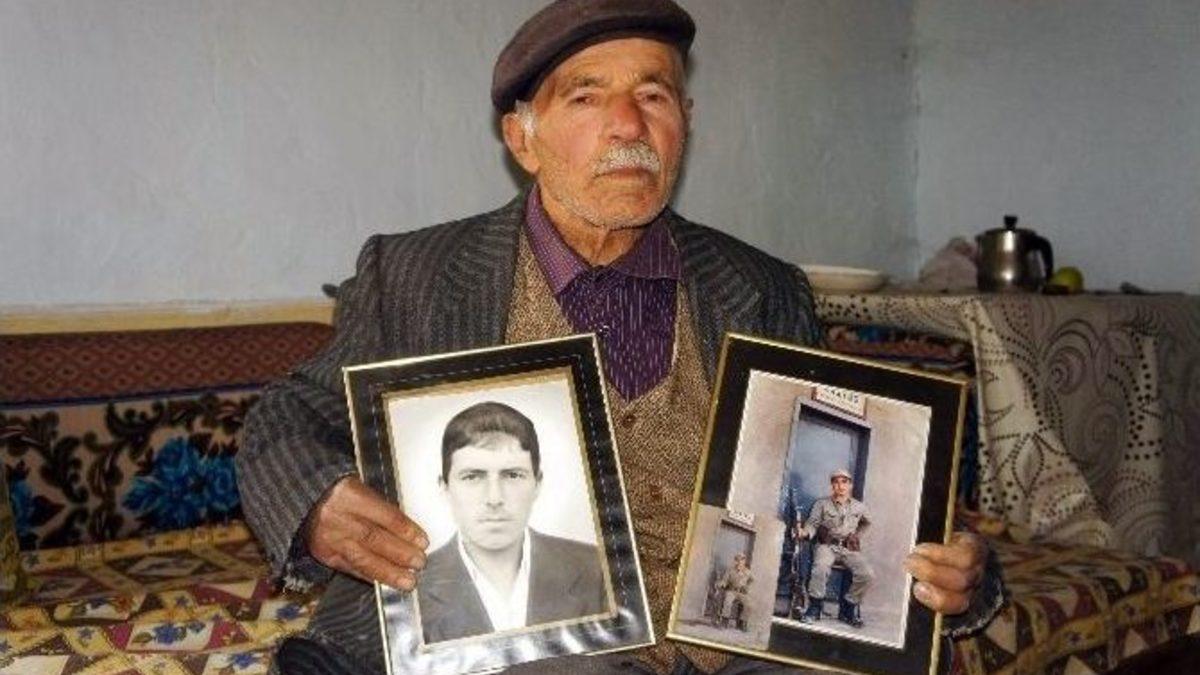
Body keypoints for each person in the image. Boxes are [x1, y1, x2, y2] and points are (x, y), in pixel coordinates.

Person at [235, 1, 1004, 673]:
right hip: (521, 651)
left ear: (685, 123)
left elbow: (880, 479)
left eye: (653, 94)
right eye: (586, 96)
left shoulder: (766, 288)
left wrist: (961, 571)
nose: (629, 125)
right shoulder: (417, 275)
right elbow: (284, 419)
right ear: (522, 138)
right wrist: (318, 501)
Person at [418, 401, 609, 643]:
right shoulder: (411, 589)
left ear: (538, 483)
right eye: (472, 477)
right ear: (444, 487)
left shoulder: (598, 569)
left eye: (513, 475)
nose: (494, 498)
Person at [796, 469, 875, 628]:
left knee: (867, 574)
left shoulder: (859, 507)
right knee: (820, 567)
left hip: (848, 549)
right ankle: (815, 607)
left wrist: (856, 536)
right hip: (827, 546)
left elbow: (867, 523)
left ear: (850, 485)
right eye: (836, 482)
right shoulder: (822, 504)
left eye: (844, 482)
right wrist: (805, 532)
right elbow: (812, 523)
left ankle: (848, 608)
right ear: (832, 485)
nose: (840, 486)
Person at [713, 553, 753, 630]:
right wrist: (721, 584)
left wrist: (747, 587)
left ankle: (742, 623)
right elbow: (725, 580)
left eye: (742, 560)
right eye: (738, 560)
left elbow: (752, 580)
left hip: (742, 593)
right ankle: (725, 621)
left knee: (749, 604)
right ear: (735, 561)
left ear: (744, 561)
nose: (740, 562)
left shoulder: (748, 572)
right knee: (727, 601)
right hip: (732, 591)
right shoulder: (730, 570)